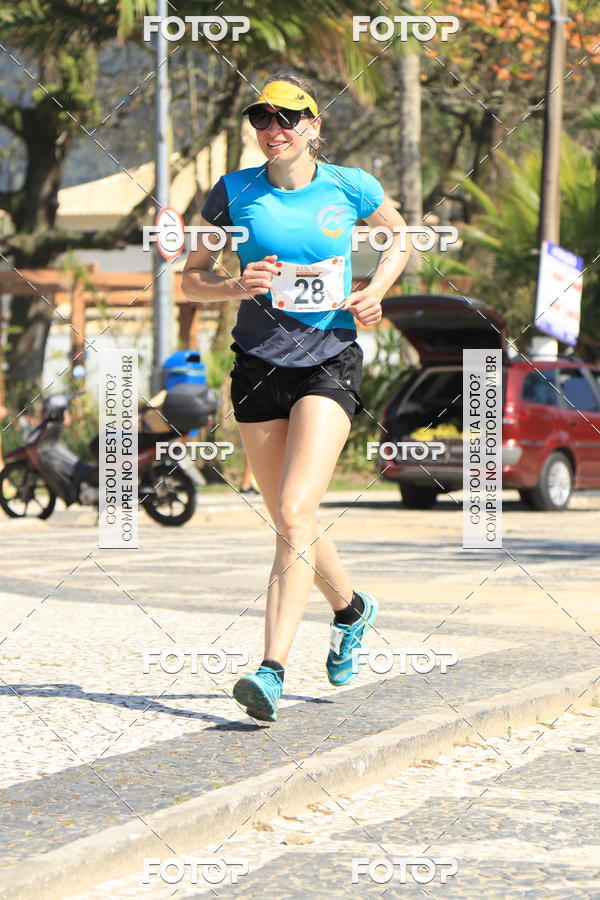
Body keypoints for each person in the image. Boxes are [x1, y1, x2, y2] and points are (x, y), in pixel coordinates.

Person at [182, 72, 411, 722]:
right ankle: (352, 609)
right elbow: (189, 282)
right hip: (257, 366)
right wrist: (235, 285)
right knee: (292, 520)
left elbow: (400, 236)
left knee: (291, 506)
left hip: (329, 362)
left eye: (287, 118)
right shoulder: (232, 191)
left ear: (313, 126)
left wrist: (376, 290)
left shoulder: (350, 186)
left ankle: (271, 670)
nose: (273, 129)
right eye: (262, 119)